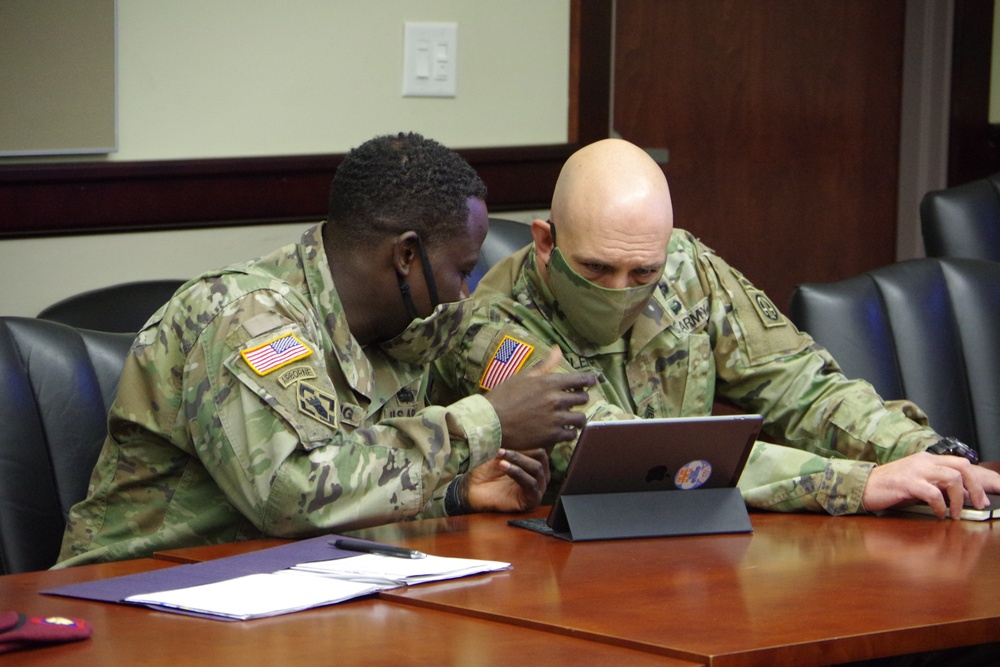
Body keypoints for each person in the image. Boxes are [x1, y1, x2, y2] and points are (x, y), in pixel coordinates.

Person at [55, 132, 595, 567]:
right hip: (136, 593)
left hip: (276, 588)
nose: (465, 291)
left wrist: (453, 496)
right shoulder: (246, 317)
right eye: (460, 269)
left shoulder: (396, 326)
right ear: (407, 255)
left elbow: (344, 497)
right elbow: (289, 496)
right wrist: (485, 423)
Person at [434, 138, 1000, 518]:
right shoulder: (491, 324)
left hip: (699, 549)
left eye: (642, 271)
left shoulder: (686, 267)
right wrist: (854, 484)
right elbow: (623, 456)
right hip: (567, 570)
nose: (619, 289)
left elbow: (802, 386)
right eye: (596, 269)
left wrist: (926, 454)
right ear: (545, 241)